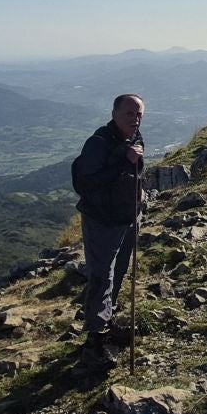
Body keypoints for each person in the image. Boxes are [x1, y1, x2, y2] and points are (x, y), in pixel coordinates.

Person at [71, 93, 145, 361]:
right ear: (114, 113)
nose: (135, 119)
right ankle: (95, 337)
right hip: (102, 221)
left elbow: (134, 173)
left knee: (120, 271)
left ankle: (107, 319)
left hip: (127, 218)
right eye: (129, 114)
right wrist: (123, 161)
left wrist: (139, 197)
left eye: (139, 115)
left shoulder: (134, 139)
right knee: (102, 276)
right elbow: (86, 184)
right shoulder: (98, 143)